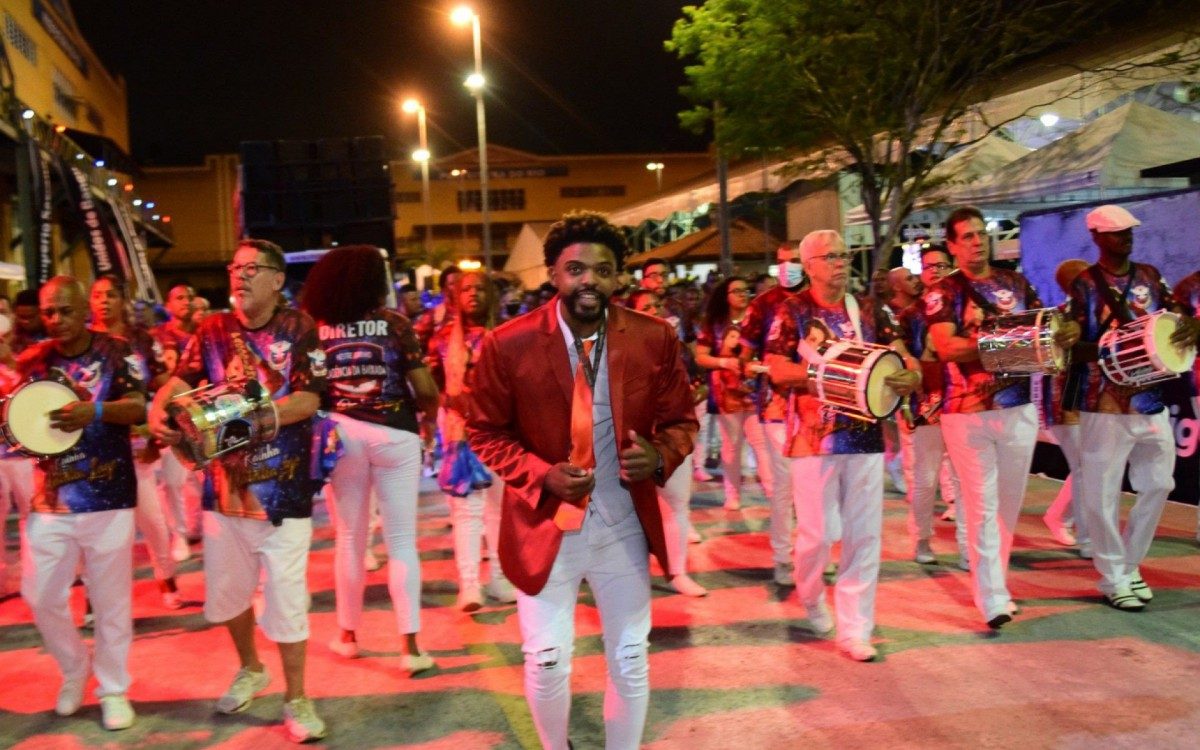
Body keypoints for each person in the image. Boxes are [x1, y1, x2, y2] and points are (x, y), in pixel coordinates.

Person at [468, 211, 697, 749]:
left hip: (622, 523)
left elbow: (683, 421)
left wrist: (659, 457)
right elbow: (483, 430)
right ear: (553, 274)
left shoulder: (652, 338)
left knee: (631, 654)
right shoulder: (509, 343)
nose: (588, 279)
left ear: (620, 278)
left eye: (603, 269)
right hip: (545, 526)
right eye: (575, 269)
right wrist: (541, 474)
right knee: (546, 659)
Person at [148, 239, 329, 742]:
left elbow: (309, 398)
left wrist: (253, 416)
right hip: (223, 490)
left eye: (253, 269)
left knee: (287, 600)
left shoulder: (299, 328)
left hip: (284, 492)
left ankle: (297, 698)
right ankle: (252, 667)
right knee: (227, 598)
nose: (241, 276)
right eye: (235, 268)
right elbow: (180, 382)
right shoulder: (212, 329)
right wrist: (158, 410)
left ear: (277, 280)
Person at [765, 230, 921, 662]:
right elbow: (777, 369)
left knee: (863, 535)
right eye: (829, 256)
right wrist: (830, 376)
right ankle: (811, 595)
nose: (839, 262)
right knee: (818, 535)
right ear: (808, 264)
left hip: (865, 434)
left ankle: (856, 627)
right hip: (811, 437)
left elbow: (899, 354)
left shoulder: (869, 309)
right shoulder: (792, 310)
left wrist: (910, 374)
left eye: (844, 254)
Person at [926, 206, 1079, 629]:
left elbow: (1040, 332)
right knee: (980, 503)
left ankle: (998, 585)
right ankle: (990, 596)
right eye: (967, 236)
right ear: (953, 246)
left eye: (981, 234)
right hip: (967, 411)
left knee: (1007, 506)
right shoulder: (943, 291)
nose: (977, 241)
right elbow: (948, 348)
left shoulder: (1015, 282)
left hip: (1018, 407)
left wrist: (1059, 334)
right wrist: (1009, 342)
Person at [13, 275, 146, 730]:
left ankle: (114, 689)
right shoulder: (32, 362)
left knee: (111, 603)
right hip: (51, 499)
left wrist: (98, 411)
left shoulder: (116, 351)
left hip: (109, 496)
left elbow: (139, 408)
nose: (56, 320)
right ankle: (75, 670)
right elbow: (18, 424)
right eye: (49, 312)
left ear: (83, 309)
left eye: (65, 310)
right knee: (40, 594)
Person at [299, 245, 440, 672]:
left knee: (348, 539)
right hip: (394, 433)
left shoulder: (316, 330)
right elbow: (426, 390)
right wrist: (430, 420)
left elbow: (309, 393)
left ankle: (348, 636)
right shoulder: (395, 325)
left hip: (342, 435)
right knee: (401, 543)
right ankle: (410, 648)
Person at [1066, 204, 1199, 611]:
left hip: (1150, 397)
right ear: (1097, 237)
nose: (1127, 236)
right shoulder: (1085, 285)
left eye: (1129, 230)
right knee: (1102, 493)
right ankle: (1113, 576)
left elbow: (1166, 325)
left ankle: (1128, 564)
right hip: (1102, 402)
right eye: (1117, 231)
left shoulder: (1149, 277)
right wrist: (1115, 349)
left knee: (1160, 482)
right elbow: (1074, 347)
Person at [88, 275, 181, 609]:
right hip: (93, 449)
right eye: (97, 295)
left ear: (123, 300)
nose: (103, 301)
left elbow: (165, 385)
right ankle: (94, 598)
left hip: (136, 445)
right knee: (96, 527)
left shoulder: (142, 340)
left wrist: (159, 427)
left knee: (152, 519)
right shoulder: (82, 341)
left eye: (110, 295)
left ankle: (166, 576)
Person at [427, 270, 517, 611]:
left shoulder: (510, 333)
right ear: (456, 296)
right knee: (467, 511)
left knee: (499, 510)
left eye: (481, 288)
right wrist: (453, 402)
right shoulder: (442, 336)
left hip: (503, 433)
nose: (474, 294)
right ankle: (469, 585)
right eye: (467, 289)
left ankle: (499, 578)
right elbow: (431, 384)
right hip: (461, 433)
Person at [627, 288, 707, 597]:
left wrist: (694, 397)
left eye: (657, 305)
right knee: (628, 511)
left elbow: (696, 382)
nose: (655, 310)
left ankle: (677, 572)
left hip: (672, 438)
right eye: (645, 306)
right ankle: (630, 575)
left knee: (676, 505)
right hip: (632, 440)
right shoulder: (618, 348)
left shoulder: (679, 348)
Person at [739, 242, 808, 586]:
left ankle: (811, 551)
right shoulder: (762, 305)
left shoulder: (818, 301)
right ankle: (783, 555)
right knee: (785, 484)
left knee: (815, 487)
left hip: (818, 406)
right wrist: (758, 368)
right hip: (776, 405)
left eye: (794, 261)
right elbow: (744, 355)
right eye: (781, 262)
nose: (787, 267)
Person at [895, 248, 967, 566]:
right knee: (926, 477)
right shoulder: (911, 315)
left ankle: (969, 545)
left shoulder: (968, 305)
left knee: (968, 477)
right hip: (929, 400)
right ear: (921, 272)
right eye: (928, 267)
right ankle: (922, 538)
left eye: (942, 265)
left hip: (968, 399)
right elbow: (900, 355)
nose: (935, 271)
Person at [695, 277, 773, 510]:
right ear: (725, 296)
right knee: (731, 445)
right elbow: (701, 356)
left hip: (754, 390)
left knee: (760, 443)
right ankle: (732, 495)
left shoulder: (757, 320)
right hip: (726, 393)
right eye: (736, 291)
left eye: (746, 290)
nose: (742, 294)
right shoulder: (715, 323)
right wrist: (724, 362)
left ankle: (772, 492)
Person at [1041, 259, 1092, 555]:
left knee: (1089, 466)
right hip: (1068, 397)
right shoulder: (1059, 317)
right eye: (1086, 276)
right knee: (1085, 467)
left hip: (1092, 398)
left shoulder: (1092, 311)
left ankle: (1062, 516)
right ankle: (1083, 534)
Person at [152, 284, 202, 561]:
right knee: (172, 480)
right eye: (179, 297)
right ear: (168, 305)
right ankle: (179, 534)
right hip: (172, 413)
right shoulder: (157, 336)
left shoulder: (203, 332)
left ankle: (198, 525)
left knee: (202, 474)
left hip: (199, 412)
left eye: (189, 296)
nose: (186, 301)